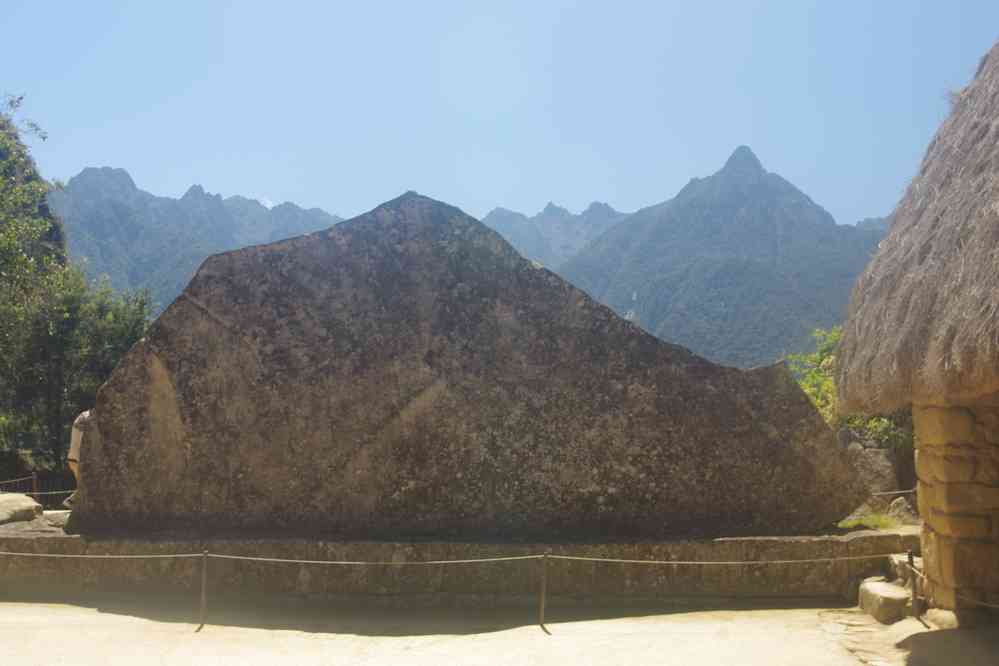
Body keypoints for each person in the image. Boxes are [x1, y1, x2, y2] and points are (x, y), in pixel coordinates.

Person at [64, 410, 92, 508]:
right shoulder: (90, 418)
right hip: (79, 459)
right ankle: (71, 501)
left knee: (84, 485)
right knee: (87, 485)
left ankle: (72, 501)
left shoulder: (83, 415)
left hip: (72, 458)